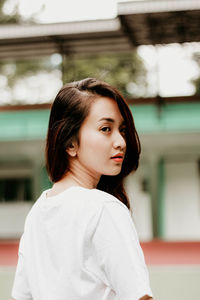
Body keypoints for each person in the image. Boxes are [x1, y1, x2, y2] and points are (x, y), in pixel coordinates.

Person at [12, 78, 153, 300]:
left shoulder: (38, 212)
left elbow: (21, 296)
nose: (120, 141)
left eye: (122, 130)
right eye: (106, 129)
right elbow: (139, 296)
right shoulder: (104, 209)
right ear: (70, 143)